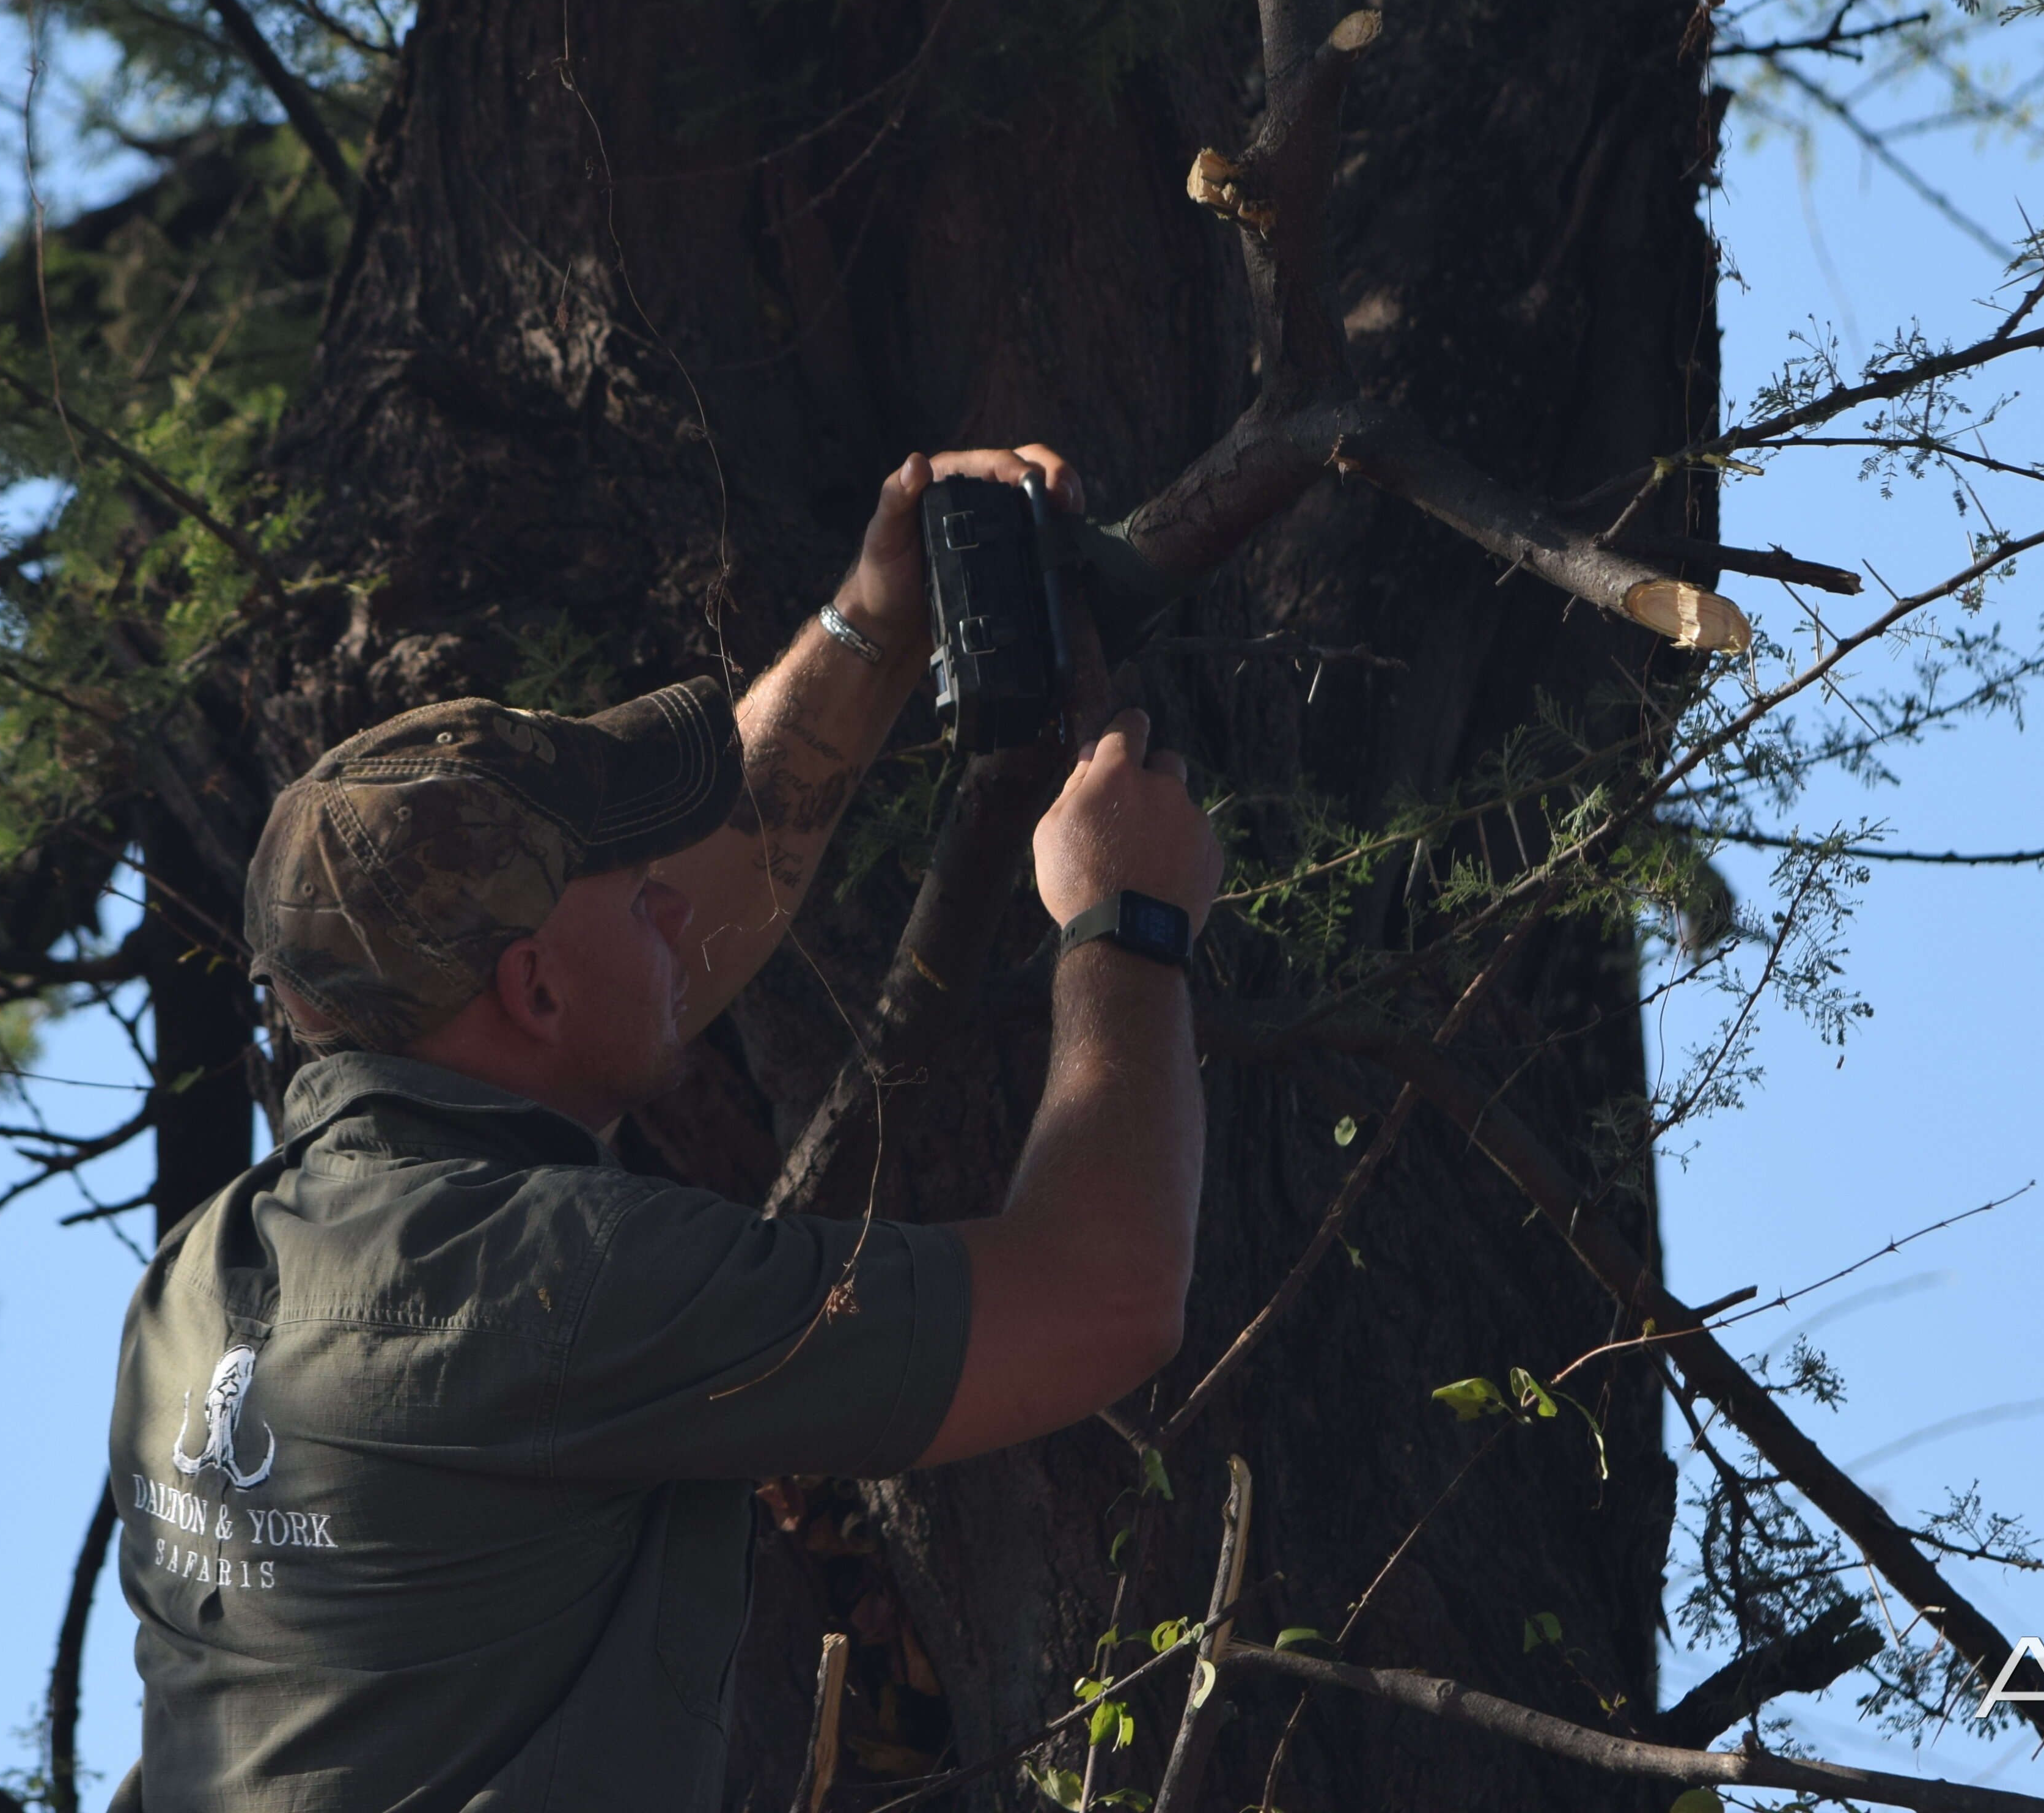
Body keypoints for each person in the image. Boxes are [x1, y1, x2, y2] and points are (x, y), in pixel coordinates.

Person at [103, 447, 1222, 1811]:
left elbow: (676, 934)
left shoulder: (199, 1282)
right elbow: (1101, 1295)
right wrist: (1127, 920)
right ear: (533, 988)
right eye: (641, 890)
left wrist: (873, 624)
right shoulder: (553, 1281)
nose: (682, 908)